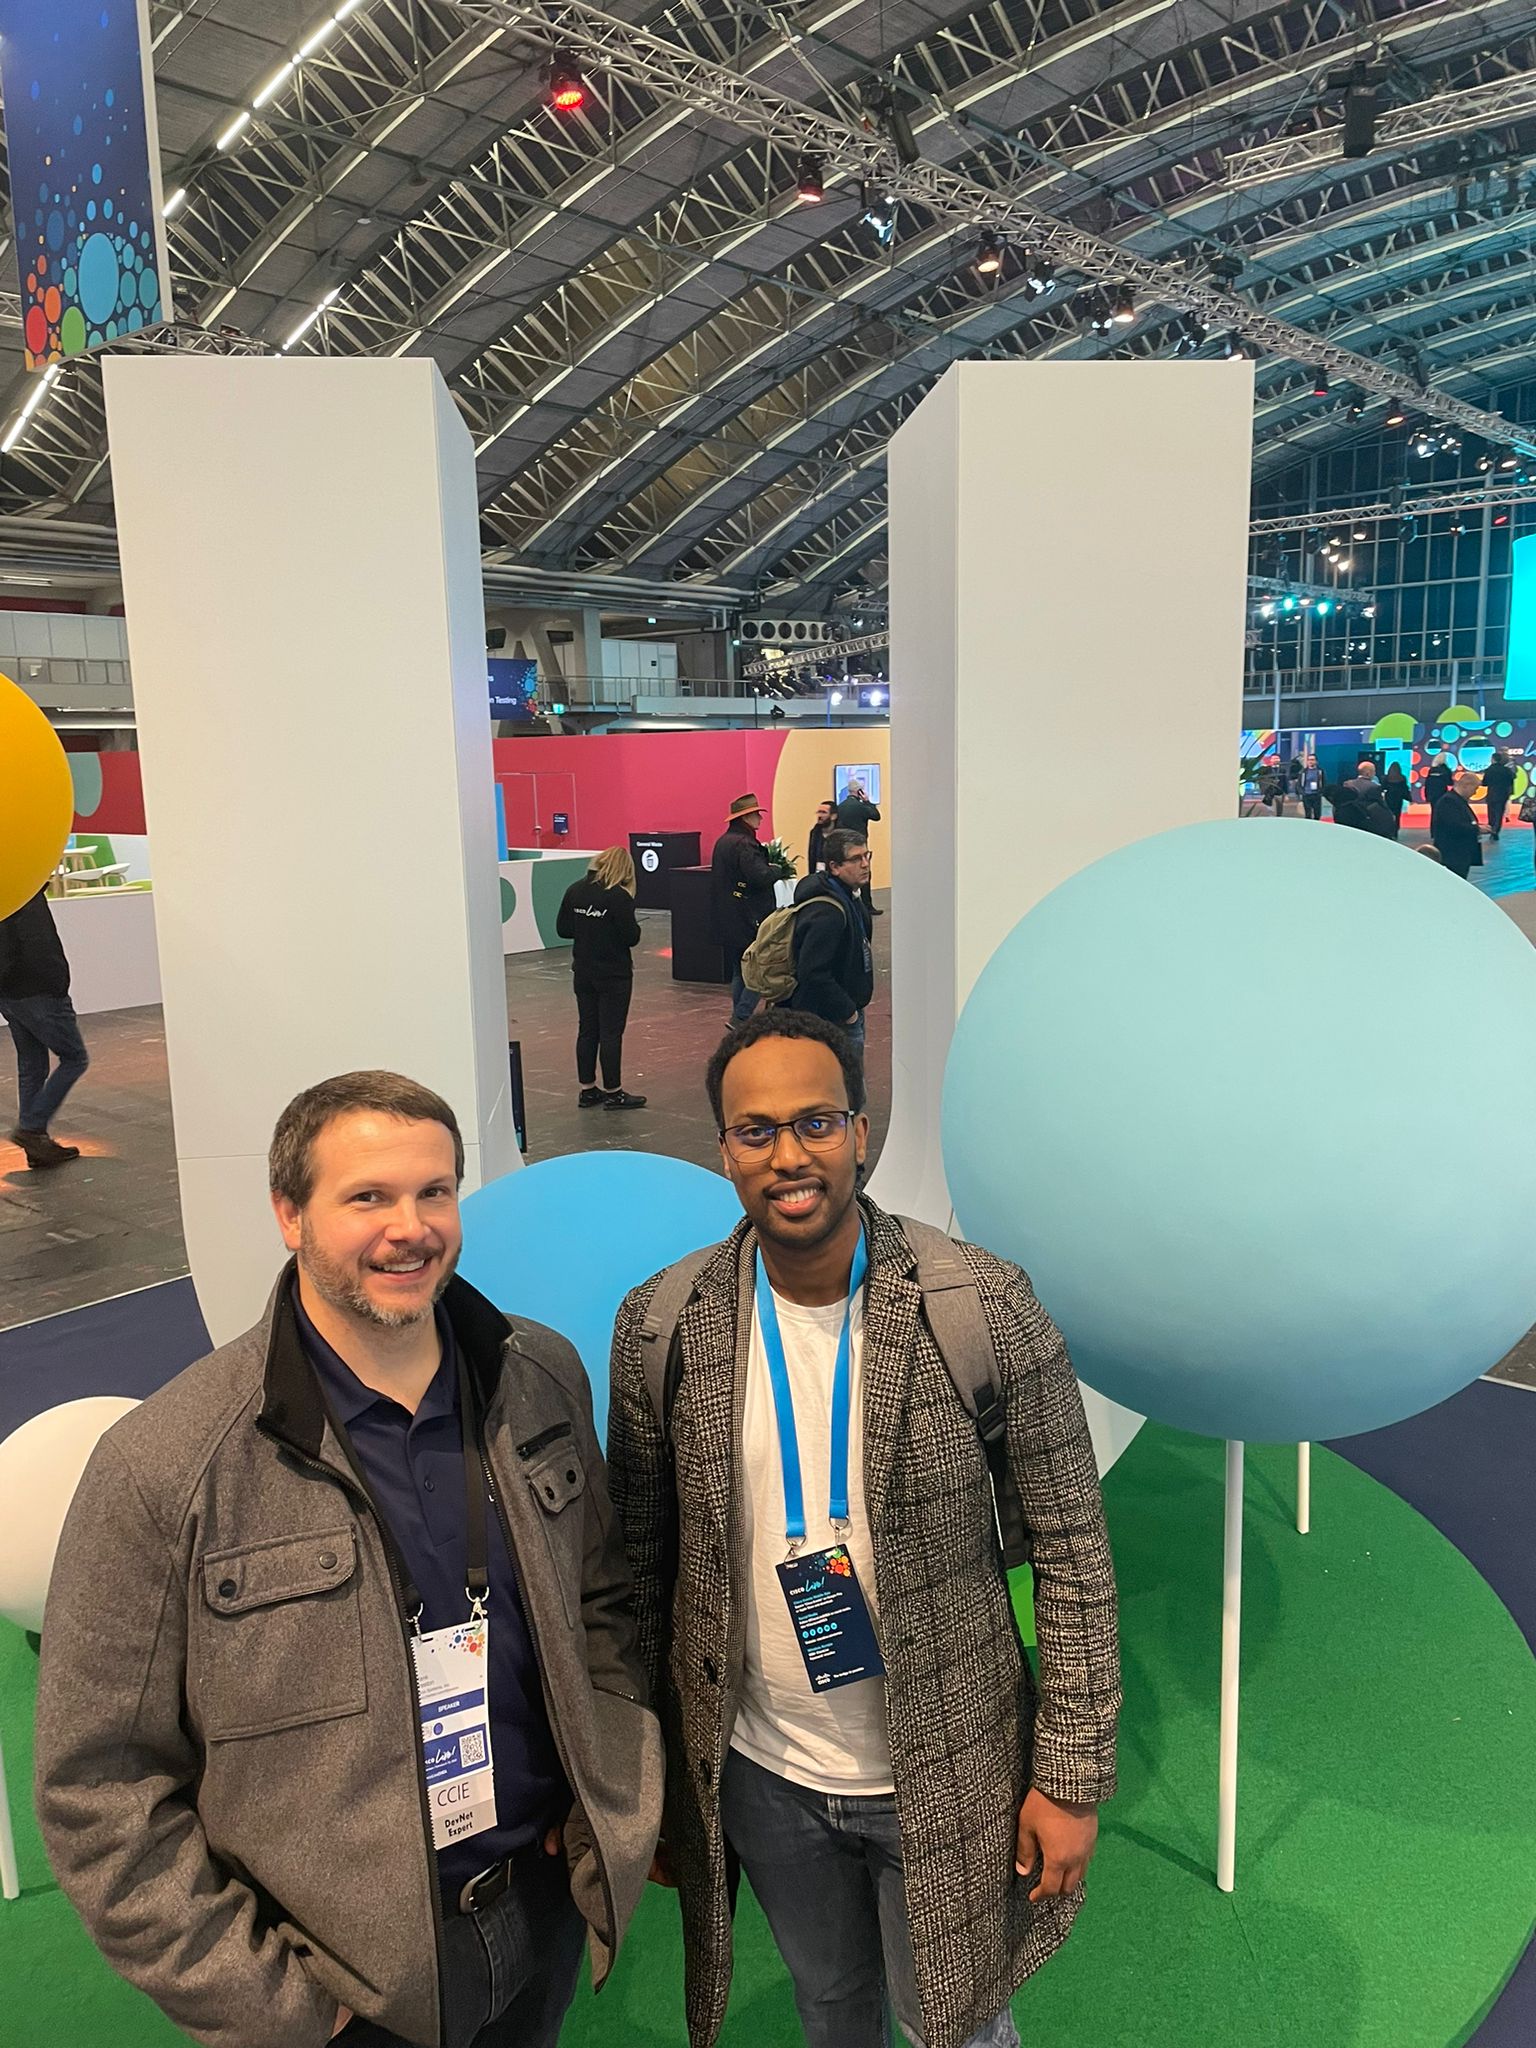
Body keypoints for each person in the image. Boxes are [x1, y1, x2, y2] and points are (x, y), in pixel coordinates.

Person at [36, 1069, 662, 2048]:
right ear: (289, 1212)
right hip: (339, 1984)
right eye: (366, 1195)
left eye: (434, 1190)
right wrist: (270, 2002)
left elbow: (604, 1601)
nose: (408, 1226)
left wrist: (604, 1800)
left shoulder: (537, 1376)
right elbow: (96, 1782)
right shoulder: (167, 1464)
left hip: (535, 1911)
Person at [607, 1010, 1120, 2048]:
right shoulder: (663, 1323)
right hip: (762, 1775)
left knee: (960, 2024)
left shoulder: (978, 1305)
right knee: (832, 2008)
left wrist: (1068, 1773)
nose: (789, 1154)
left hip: (950, 1765)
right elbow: (643, 1569)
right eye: (757, 1130)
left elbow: (1071, 1551)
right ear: (723, 1150)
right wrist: (653, 1779)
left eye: (817, 1121)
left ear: (861, 1127)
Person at [0, 886, 89, 1170]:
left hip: (11, 995)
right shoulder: (25, 896)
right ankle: (32, 1127)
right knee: (74, 1058)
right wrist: (56, 986)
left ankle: (36, 1145)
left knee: (32, 1065)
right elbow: (36, 945)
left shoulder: (11, 893)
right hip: (38, 993)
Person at [556, 845, 646, 1111]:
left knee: (587, 1029)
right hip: (613, 974)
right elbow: (632, 937)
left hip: (583, 972)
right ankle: (614, 1092)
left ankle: (587, 1090)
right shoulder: (618, 897)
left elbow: (563, 929)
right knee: (610, 1032)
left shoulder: (575, 890)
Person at [783, 829, 874, 1054]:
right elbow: (812, 972)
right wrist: (848, 1012)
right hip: (830, 1020)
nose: (865, 864)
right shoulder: (827, 912)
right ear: (835, 866)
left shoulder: (848, 897)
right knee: (844, 1086)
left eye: (867, 855)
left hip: (842, 1014)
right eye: (855, 859)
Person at [711, 793, 777, 1026]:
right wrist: (775, 871)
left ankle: (739, 1016)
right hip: (749, 916)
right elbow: (759, 876)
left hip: (728, 914)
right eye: (757, 814)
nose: (760, 819)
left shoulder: (723, 842)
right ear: (746, 817)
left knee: (739, 969)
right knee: (758, 968)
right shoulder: (745, 844)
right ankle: (741, 1017)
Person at [834, 778, 882, 915]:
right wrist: (867, 801)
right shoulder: (861, 807)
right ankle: (867, 906)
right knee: (864, 874)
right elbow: (876, 816)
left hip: (845, 846)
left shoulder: (840, 807)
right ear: (859, 791)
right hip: (860, 845)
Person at [1431, 785, 1482, 879]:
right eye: (1475, 789)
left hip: (1459, 852)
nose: (1474, 793)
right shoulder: (1449, 801)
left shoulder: (1456, 800)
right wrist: (1476, 829)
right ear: (1466, 785)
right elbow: (1454, 825)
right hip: (1453, 853)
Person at [1483, 750, 1515, 841]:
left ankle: (1491, 829)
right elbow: (1511, 781)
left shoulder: (1489, 770)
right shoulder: (1506, 770)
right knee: (1499, 814)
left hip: (1491, 794)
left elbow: (1484, 783)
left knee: (1491, 814)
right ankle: (1496, 831)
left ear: (1493, 759)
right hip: (1502, 794)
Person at [807, 800, 837, 876]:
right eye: (819, 812)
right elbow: (811, 857)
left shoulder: (840, 834)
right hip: (818, 875)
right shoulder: (814, 833)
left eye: (824, 812)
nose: (820, 815)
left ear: (833, 816)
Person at [1381, 762, 1410, 837]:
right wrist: (1409, 798)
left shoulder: (1385, 778)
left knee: (1389, 814)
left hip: (1389, 797)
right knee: (1397, 815)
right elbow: (1405, 789)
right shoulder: (1402, 778)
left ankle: (1389, 830)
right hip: (1398, 798)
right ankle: (1396, 831)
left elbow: (1382, 788)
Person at [1298, 754, 1326, 821]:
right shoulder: (1303, 772)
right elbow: (1299, 784)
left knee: (1317, 814)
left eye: (1312, 760)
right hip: (1306, 795)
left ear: (1316, 761)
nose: (1311, 761)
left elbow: (1324, 782)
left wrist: (1321, 792)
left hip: (1316, 795)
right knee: (1308, 814)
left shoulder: (1320, 771)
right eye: (1309, 760)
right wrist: (1302, 792)